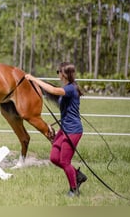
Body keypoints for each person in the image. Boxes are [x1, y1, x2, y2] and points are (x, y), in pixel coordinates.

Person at [25, 62, 87, 197]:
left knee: (65, 161)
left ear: (64, 74)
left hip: (73, 130)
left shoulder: (70, 88)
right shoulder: (66, 87)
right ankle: (77, 175)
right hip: (64, 129)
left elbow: (53, 91)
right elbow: (52, 92)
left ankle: (74, 190)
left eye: (58, 71)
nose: (58, 74)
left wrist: (34, 79)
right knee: (54, 158)